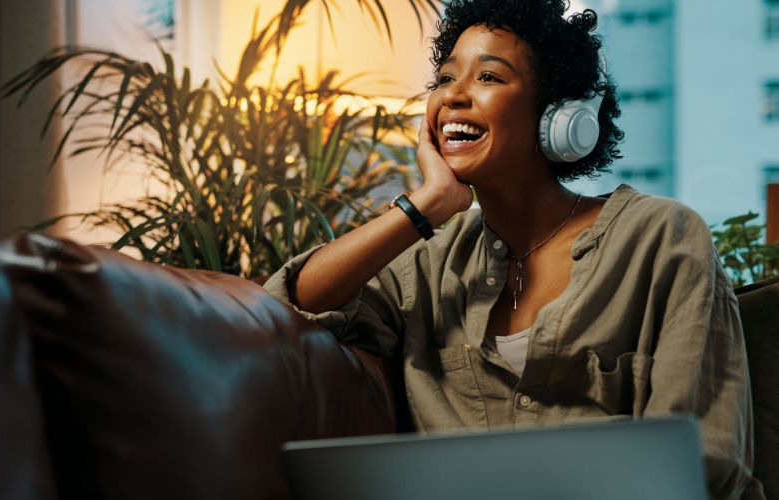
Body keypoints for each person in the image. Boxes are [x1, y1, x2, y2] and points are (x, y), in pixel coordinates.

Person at [263, 1, 763, 498]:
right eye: (443, 79)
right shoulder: (428, 261)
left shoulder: (661, 237)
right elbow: (291, 304)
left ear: (560, 116)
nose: (452, 97)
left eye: (488, 78)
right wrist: (426, 205)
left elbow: (705, 458)